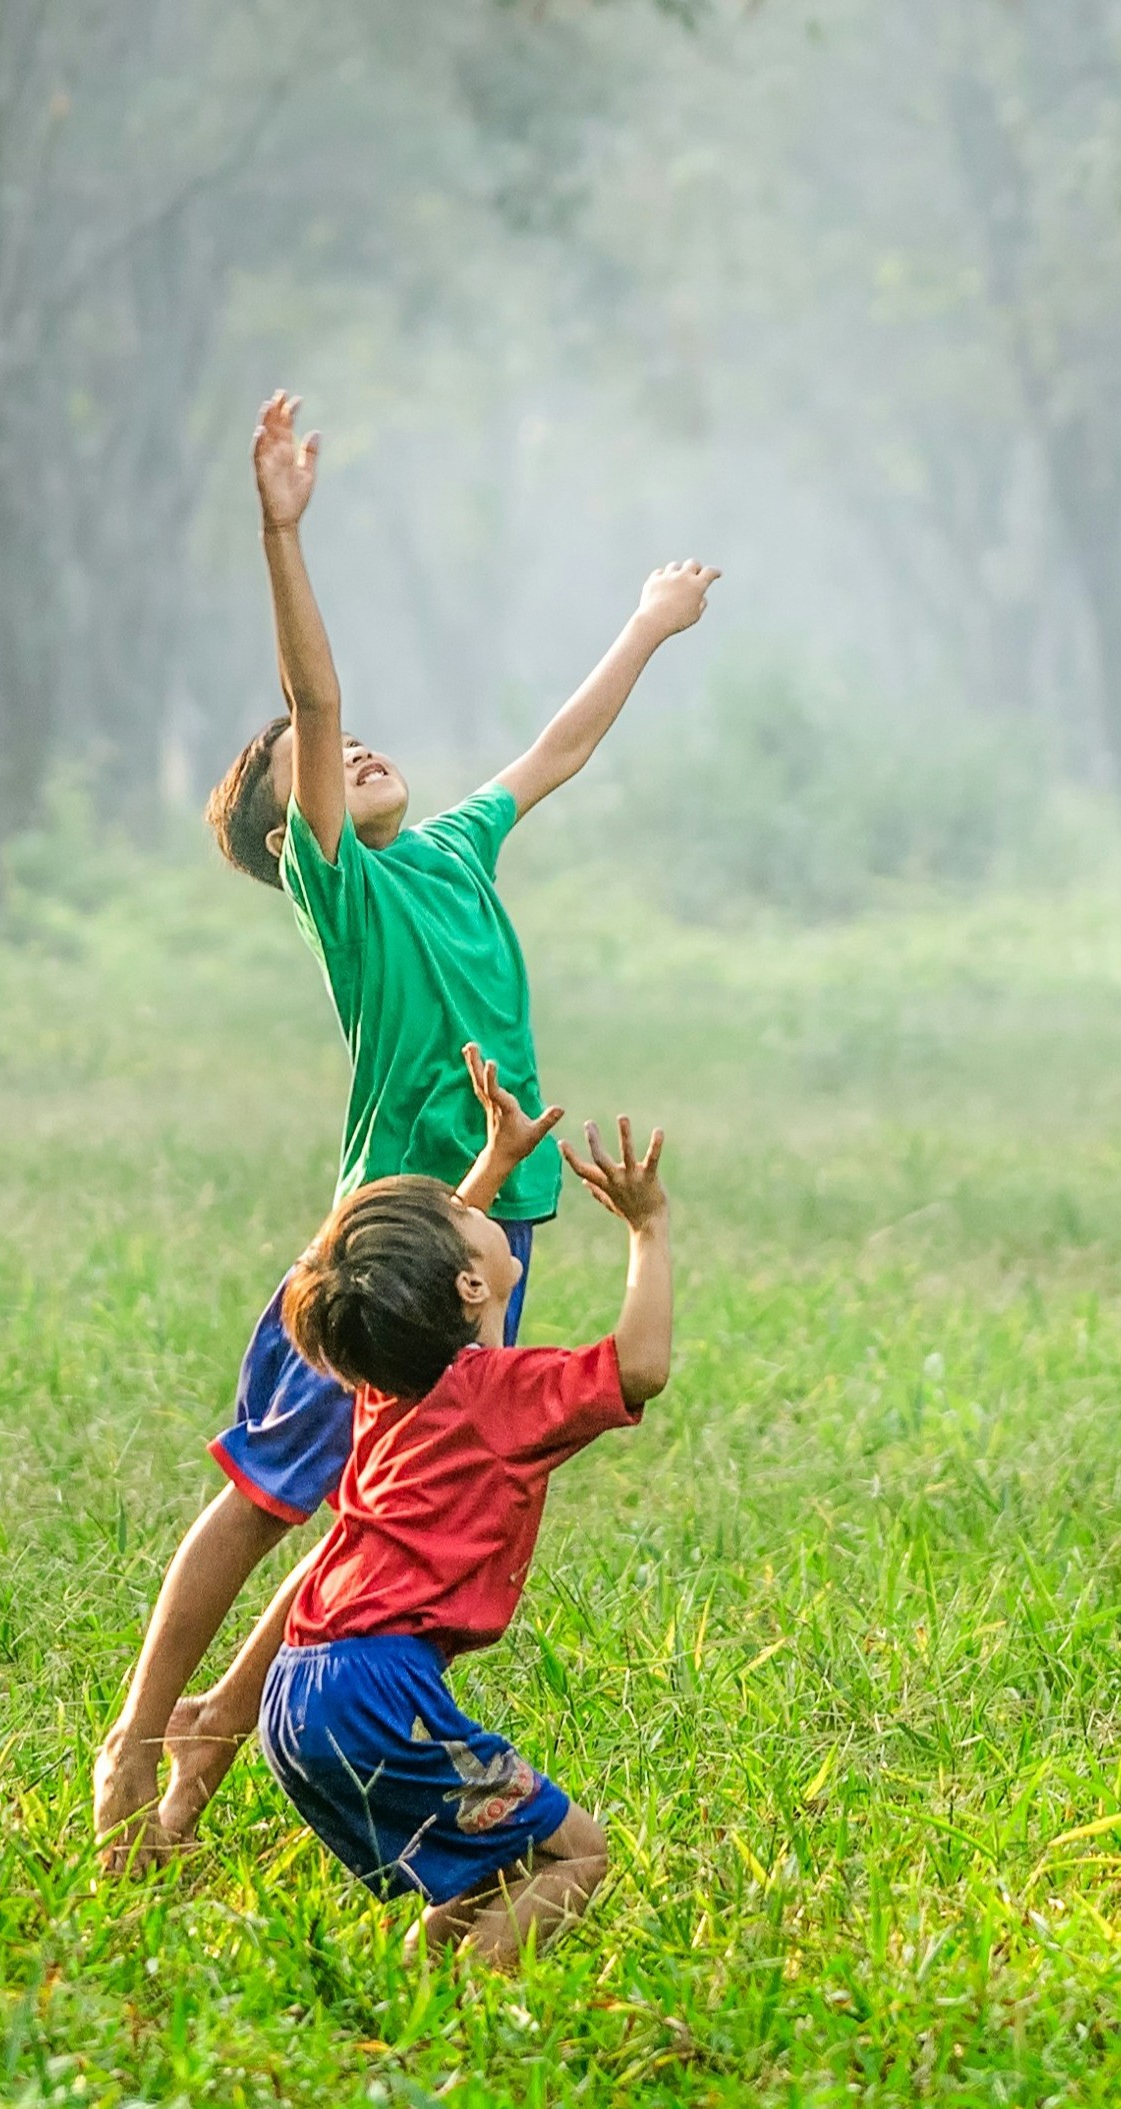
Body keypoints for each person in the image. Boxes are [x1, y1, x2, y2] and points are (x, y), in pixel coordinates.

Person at [88, 389, 715, 1860]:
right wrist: (279, 531)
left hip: (498, 1226)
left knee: (377, 1518)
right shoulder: (346, 892)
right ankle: (137, 1745)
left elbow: (554, 749)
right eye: (311, 764)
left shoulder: (447, 849)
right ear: (283, 835)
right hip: (385, 1239)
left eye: (363, 742)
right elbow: (311, 700)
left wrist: (646, 624)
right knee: (263, 1498)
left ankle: (196, 1783)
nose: (352, 747)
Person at [252, 1111, 673, 1967]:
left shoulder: (388, 1376)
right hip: (378, 1695)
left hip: (296, 1690)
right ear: (470, 1288)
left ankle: (413, 1994)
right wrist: (648, 1227)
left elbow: (415, 1279)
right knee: (577, 1853)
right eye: (468, 1213)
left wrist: (492, 1162)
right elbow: (641, 1365)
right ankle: (470, 2017)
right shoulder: (500, 1394)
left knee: (492, 1863)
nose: (472, 1205)